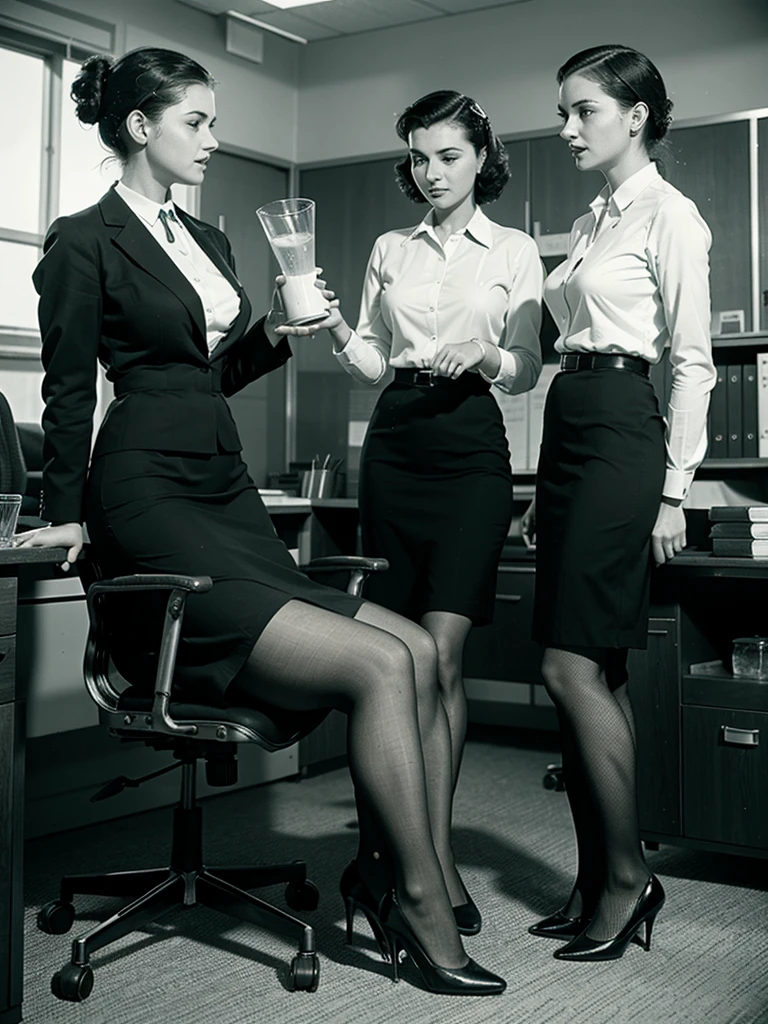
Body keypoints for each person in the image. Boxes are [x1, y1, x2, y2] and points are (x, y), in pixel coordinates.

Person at [16, 47, 505, 996]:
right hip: (144, 493)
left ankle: (381, 872)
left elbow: (214, 375)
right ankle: (416, 899)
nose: (212, 136)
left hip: (223, 489)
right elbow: (71, 390)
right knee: (377, 664)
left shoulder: (211, 239)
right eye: (195, 121)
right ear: (138, 127)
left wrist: (275, 332)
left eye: (212, 119)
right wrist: (66, 516)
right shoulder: (83, 238)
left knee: (408, 647)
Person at [324, 90, 543, 934]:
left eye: (448, 156)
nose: (432, 172)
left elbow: (526, 366)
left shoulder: (515, 248)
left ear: (481, 158)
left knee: (443, 654)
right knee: (394, 654)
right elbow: (375, 366)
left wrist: (488, 352)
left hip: (471, 446)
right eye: (419, 157)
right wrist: (340, 323)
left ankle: (434, 854)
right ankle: (399, 858)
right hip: (398, 443)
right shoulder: (389, 246)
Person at [522, 45, 715, 961]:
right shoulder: (597, 214)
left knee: (569, 665)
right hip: (572, 425)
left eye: (583, 111)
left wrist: (673, 489)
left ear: (635, 114)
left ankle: (629, 878)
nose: (567, 128)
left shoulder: (671, 217)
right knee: (594, 669)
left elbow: (692, 360)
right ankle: (600, 873)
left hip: (624, 436)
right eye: (565, 111)